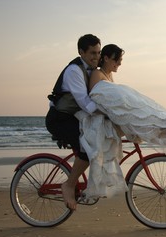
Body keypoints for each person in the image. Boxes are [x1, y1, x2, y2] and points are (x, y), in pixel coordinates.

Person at [88, 44, 166, 150]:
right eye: (117, 60)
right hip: (115, 117)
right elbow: (95, 98)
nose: (120, 63)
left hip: (124, 112)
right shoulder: (97, 74)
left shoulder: (109, 76)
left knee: (159, 116)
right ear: (106, 58)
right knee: (155, 119)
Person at [45, 34, 101, 210]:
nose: (96, 57)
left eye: (99, 52)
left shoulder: (93, 70)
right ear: (81, 52)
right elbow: (84, 102)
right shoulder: (74, 71)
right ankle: (68, 185)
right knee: (87, 147)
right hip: (59, 119)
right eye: (92, 53)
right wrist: (108, 112)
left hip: (73, 118)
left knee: (97, 141)